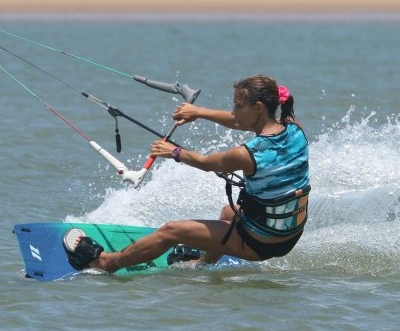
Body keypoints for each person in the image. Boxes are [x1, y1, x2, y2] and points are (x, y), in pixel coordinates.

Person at [63, 75, 310, 273]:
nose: (233, 111)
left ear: (258, 108)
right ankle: (203, 265)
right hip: (288, 234)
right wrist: (199, 112)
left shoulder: (247, 154)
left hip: (262, 242)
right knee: (227, 213)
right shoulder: (293, 129)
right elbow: (239, 122)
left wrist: (174, 151)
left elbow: (207, 163)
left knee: (173, 231)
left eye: (238, 105)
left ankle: (105, 263)